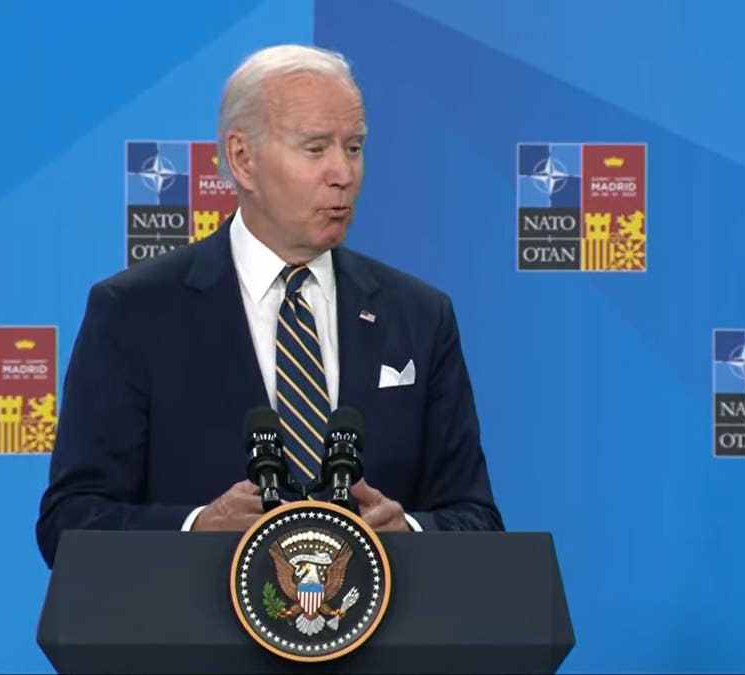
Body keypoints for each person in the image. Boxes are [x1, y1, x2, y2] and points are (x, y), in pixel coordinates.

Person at [36, 44, 502, 568]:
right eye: (315, 148)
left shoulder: (419, 315)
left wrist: (409, 530)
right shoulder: (133, 313)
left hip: (380, 638)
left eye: (353, 147)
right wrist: (197, 528)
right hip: (195, 642)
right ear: (242, 159)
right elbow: (70, 523)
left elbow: (476, 518)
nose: (343, 173)